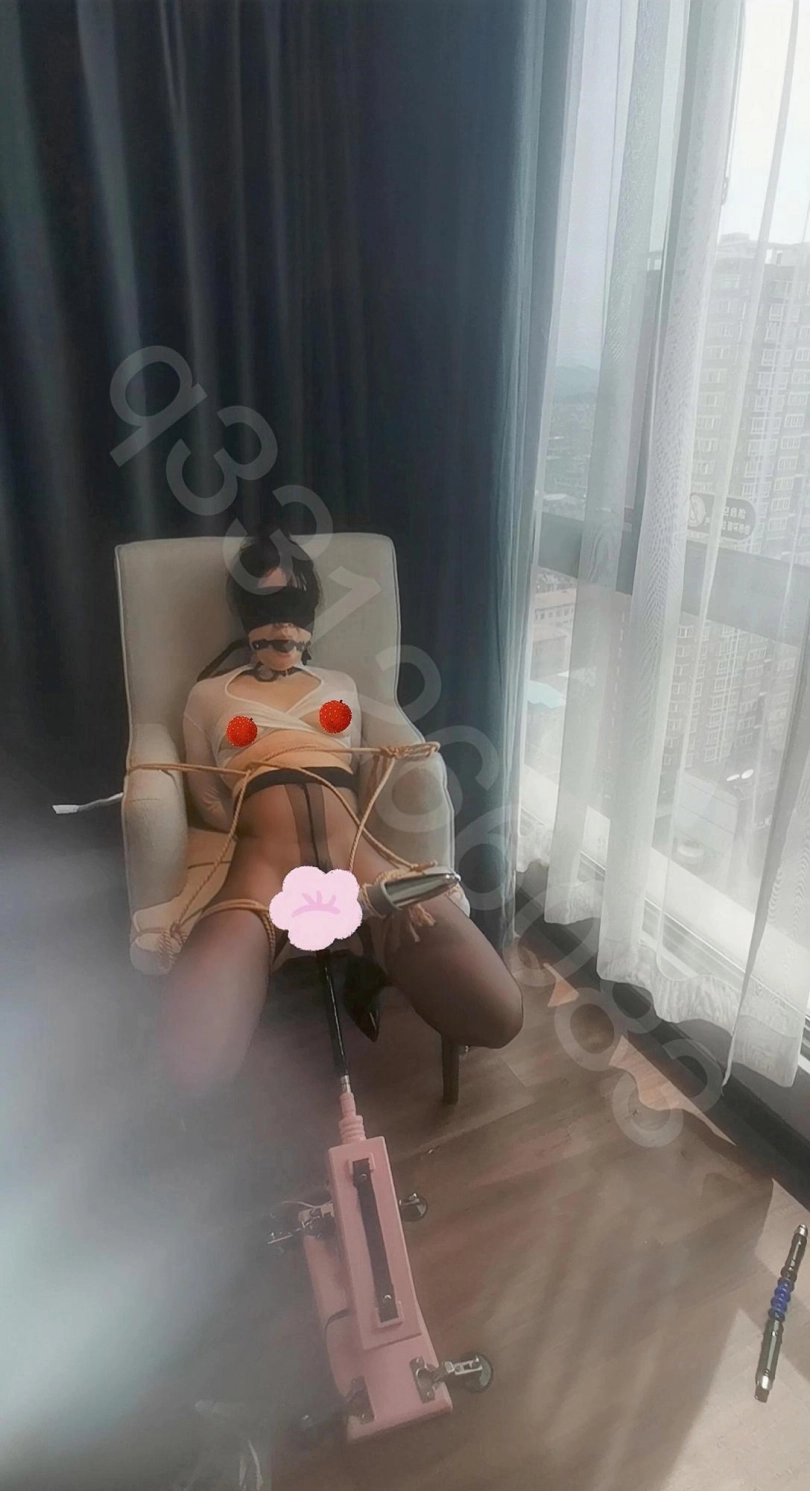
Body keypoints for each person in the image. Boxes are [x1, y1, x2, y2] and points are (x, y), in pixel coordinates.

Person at [161, 527, 523, 1097]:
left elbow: (352, 764)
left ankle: (367, 955)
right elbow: (206, 798)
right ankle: (342, 953)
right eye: (267, 609)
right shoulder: (208, 697)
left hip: (363, 868)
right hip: (261, 874)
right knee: (190, 1065)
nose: (283, 626)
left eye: (294, 608)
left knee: (499, 1014)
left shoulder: (341, 685)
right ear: (244, 612)